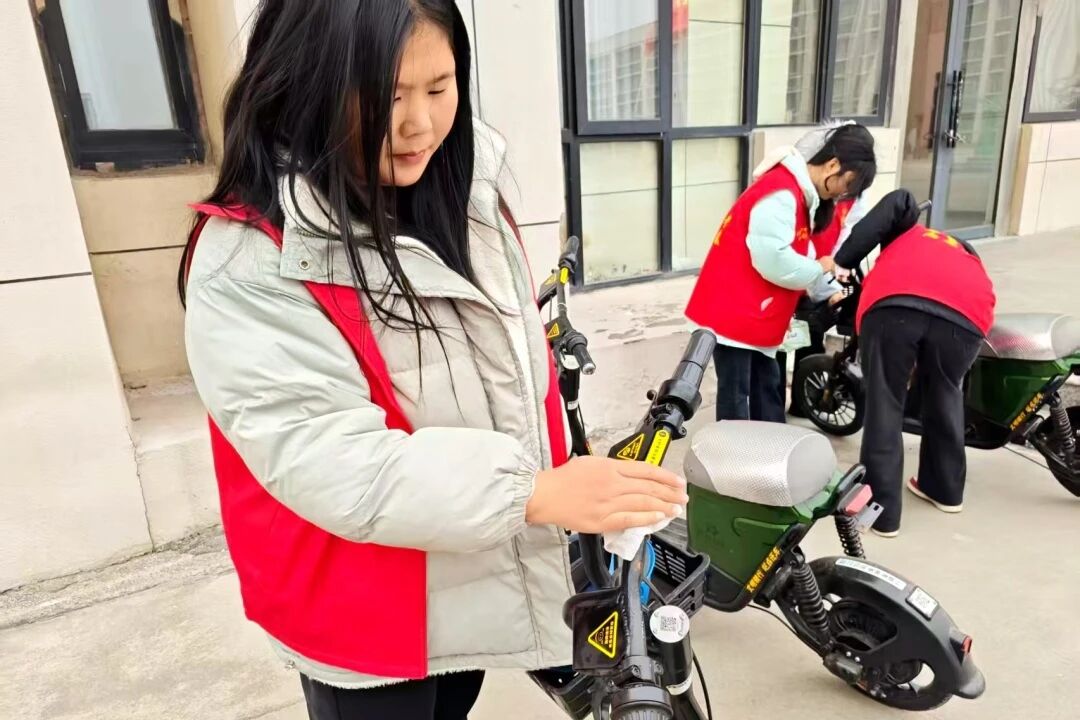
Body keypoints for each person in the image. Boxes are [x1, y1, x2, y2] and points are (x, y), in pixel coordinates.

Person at [177, 3, 687, 718]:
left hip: (466, 574)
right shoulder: (251, 259)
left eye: (439, 87)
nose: (418, 123)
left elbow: (510, 365)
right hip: (363, 609)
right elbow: (328, 457)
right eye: (385, 96)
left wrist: (568, 475)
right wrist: (533, 493)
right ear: (302, 83)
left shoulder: (466, 193)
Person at [685, 124, 877, 422]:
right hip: (732, 312)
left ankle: (771, 444)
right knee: (737, 394)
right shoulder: (781, 192)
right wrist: (820, 268)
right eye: (847, 183)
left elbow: (801, 251)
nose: (844, 193)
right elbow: (773, 260)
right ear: (833, 165)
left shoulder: (799, 194)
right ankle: (735, 451)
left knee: (766, 384)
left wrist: (825, 289)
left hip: (754, 312)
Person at [833, 190, 996, 537]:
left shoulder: (903, 238)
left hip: (895, 303)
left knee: (886, 403)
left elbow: (893, 207)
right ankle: (945, 491)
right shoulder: (959, 248)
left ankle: (880, 514)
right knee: (946, 393)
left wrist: (844, 260)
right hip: (967, 313)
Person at [777, 122, 874, 417]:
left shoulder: (853, 192)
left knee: (810, 340)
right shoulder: (806, 180)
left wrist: (830, 284)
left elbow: (846, 238)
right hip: (789, 274)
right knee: (778, 349)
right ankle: (773, 410)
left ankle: (803, 403)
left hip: (819, 276)